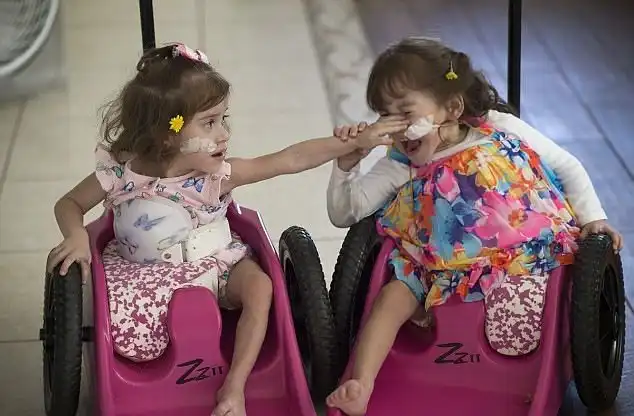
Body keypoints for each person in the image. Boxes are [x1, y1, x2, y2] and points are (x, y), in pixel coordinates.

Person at [45, 43, 401, 416]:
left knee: (261, 287)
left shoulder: (218, 176)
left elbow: (289, 159)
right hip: (143, 279)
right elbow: (69, 204)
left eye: (223, 119)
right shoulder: (120, 173)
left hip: (217, 265)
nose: (224, 134)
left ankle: (234, 388)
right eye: (210, 123)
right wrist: (76, 235)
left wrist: (355, 141)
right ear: (168, 132)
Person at [325, 37, 623, 415]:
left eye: (406, 112)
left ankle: (523, 368)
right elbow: (346, 213)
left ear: (452, 107)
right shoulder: (401, 162)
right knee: (389, 300)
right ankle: (362, 384)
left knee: (520, 312)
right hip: (433, 267)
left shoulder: (497, 128)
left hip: (516, 254)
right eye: (386, 116)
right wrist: (346, 165)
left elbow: (566, 166)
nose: (397, 128)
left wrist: (593, 217)